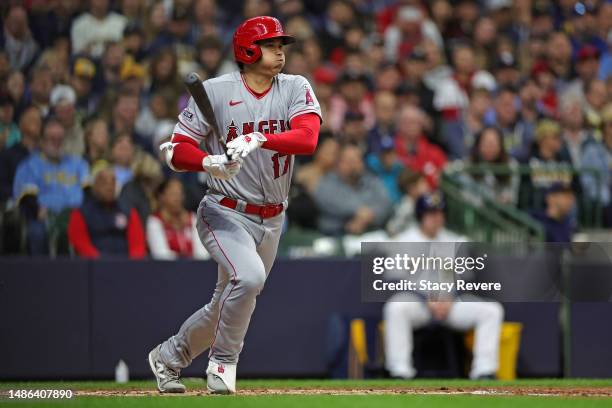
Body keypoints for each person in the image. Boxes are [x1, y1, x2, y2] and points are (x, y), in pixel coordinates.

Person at [148, 17, 321, 395]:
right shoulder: (215, 90)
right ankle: (223, 363)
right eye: (272, 44)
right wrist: (208, 162)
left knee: (227, 304)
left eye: (282, 44)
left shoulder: (295, 86)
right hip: (224, 210)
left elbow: (308, 139)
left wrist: (260, 137)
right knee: (250, 278)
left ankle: (168, 357)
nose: (280, 50)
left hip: (273, 217)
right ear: (246, 50)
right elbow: (175, 150)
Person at [384, 193, 504, 380]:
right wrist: (427, 299)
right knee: (395, 308)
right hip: (418, 303)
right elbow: (395, 279)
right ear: (420, 216)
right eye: (430, 213)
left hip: (450, 304)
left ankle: (484, 371)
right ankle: (400, 372)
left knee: (491, 310)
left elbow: (465, 279)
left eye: (439, 213)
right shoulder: (403, 241)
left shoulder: (454, 240)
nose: (436, 218)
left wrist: (450, 298)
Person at [13, 118, 89, 254]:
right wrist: (38, 211)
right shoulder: (29, 165)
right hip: (45, 216)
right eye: (52, 138)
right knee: (37, 233)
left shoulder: (79, 164)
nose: (57, 143)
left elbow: (89, 193)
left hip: (77, 216)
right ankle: (41, 273)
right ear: (41, 140)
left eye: (60, 138)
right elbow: (27, 198)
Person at [68, 165, 146, 258]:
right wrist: (101, 264)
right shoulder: (81, 213)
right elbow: (81, 244)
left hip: (127, 267)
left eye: (113, 182)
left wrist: (133, 266)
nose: (109, 187)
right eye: (103, 183)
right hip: (94, 267)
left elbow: (138, 245)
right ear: (95, 186)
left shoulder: (128, 211)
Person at [314, 144, 392, 236]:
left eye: (357, 160)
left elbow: (386, 203)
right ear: (338, 163)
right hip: (336, 235)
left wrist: (369, 216)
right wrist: (360, 211)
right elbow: (330, 202)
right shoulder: (327, 182)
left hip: (371, 234)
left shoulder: (372, 180)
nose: (354, 165)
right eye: (350, 161)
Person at [147, 178, 209, 260]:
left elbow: (202, 253)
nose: (177, 198)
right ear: (161, 197)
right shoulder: (155, 221)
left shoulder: (193, 219)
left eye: (180, 194)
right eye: (173, 194)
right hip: (167, 270)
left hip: (195, 269)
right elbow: (161, 254)